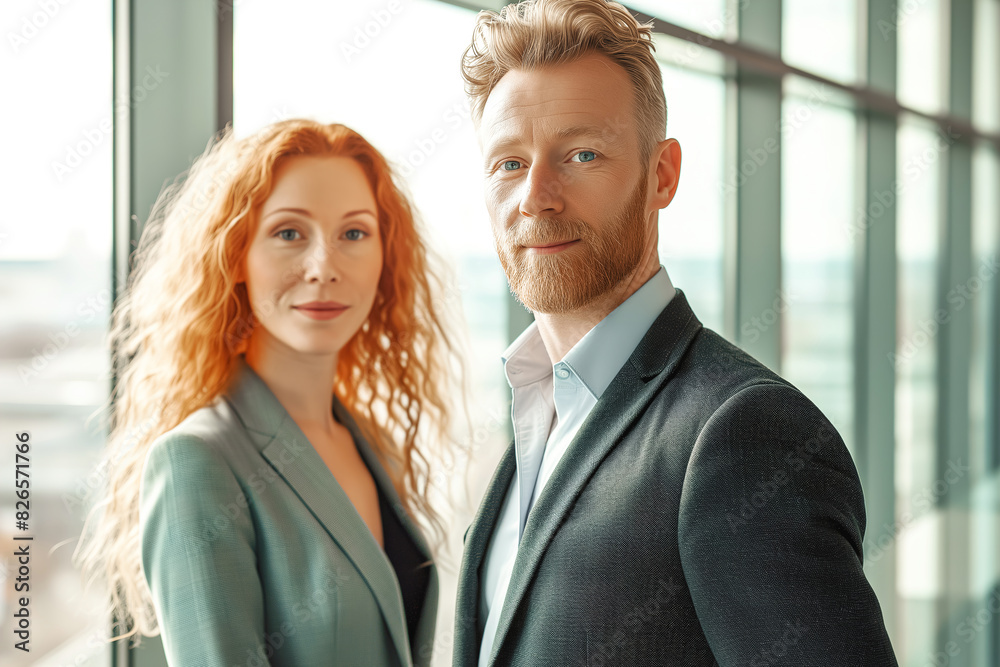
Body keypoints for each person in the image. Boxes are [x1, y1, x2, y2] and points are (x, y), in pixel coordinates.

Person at [452, 1, 899, 665]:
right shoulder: (534, 412)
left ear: (661, 174)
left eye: (581, 154)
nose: (537, 196)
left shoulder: (744, 432)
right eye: (509, 163)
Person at [74, 119, 460, 667]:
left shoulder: (372, 444)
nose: (323, 267)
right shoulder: (196, 462)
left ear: (385, 259)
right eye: (288, 233)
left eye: (354, 233)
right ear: (236, 256)